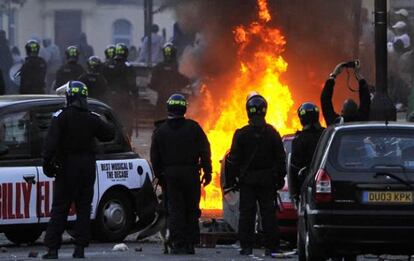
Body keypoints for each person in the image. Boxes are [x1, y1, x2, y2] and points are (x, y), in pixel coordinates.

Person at [42, 81, 114, 259]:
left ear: (69, 97)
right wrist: (109, 120)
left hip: (66, 166)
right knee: (83, 208)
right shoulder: (92, 117)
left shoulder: (60, 116)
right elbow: (109, 134)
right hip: (86, 166)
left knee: (60, 208)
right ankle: (80, 248)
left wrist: (47, 164)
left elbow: (50, 144)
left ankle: (52, 249)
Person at [150, 94, 212, 255]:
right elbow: (205, 151)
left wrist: (161, 176)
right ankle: (190, 244)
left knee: (175, 210)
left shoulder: (160, 131)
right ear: (184, 108)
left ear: (169, 108)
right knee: (191, 209)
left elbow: (155, 157)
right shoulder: (194, 128)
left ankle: (177, 244)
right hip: (191, 174)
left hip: (171, 176)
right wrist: (207, 171)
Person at [226, 93, 286, 256]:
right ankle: (271, 247)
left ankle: (246, 246)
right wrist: (280, 178)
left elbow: (233, 160)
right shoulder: (272, 133)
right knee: (268, 214)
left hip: (248, 182)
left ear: (248, 111)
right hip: (267, 181)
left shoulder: (242, 134)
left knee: (246, 214)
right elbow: (281, 158)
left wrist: (231, 181)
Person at [289, 103, 325, 203]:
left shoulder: (299, 140)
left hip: (306, 183)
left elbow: (294, 167)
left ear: (302, 119)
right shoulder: (326, 135)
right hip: (326, 183)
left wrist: (295, 193)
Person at [321, 61, 371, 125]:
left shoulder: (336, 124)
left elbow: (325, 100)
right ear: (357, 110)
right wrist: (358, 75)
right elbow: (366, 99)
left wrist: (334, 75)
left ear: (342, 112)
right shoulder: (362, 119)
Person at [149, 43, 190, 119]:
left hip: (161, 99)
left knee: (160, 119)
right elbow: (186, 81)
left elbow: (152, 84)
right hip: (176, 99)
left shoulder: (158, 67)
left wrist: (160, 89)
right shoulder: (179, 67)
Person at [106, 43, 137, 138]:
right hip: (124, 97)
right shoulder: (128, 66)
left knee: (112, 118)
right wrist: (136, 95)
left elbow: (104, 81)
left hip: (111, 97)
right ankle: (127, 138)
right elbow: (132, 84)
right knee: (127, 120)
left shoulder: (109, 65)